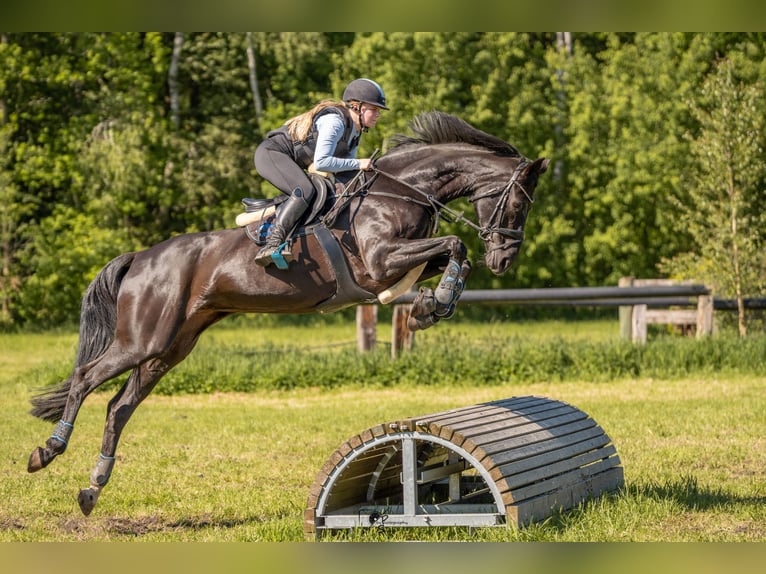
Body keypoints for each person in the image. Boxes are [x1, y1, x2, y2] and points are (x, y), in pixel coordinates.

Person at [252, 78, 388, 267]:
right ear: (357, 107)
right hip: (271, 154)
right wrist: (360, 163)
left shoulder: (354, 133)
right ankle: (273, 244)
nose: (377, 115)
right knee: (305, 190)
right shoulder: (336, 122)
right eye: (374, 109)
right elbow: (322, 162)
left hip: (288, 160)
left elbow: (343, 171)